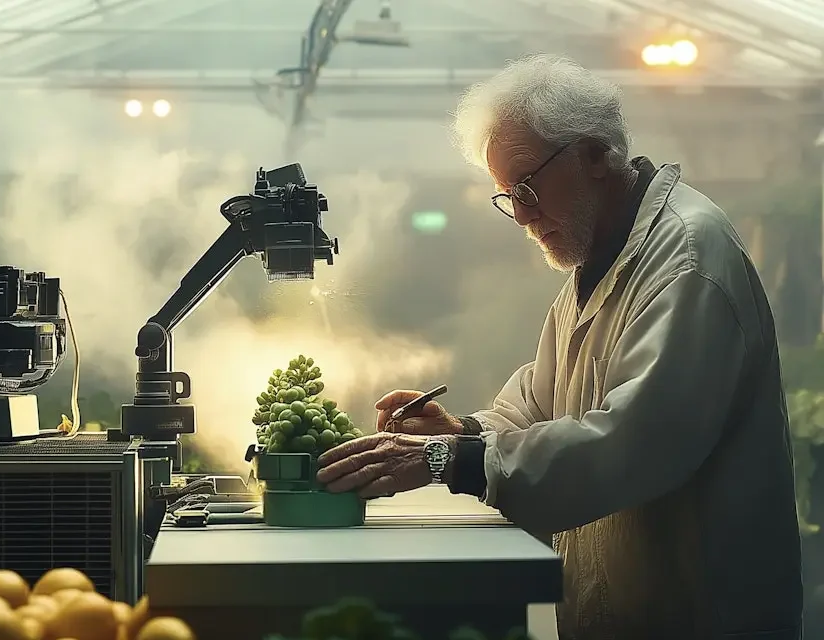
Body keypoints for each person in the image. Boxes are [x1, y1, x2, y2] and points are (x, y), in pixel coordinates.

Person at [316, 54, 803, 640]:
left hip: (701, 612)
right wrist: (464, 433)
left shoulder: (687, 261)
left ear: (596, 155)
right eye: (506, 196)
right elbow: (545, 400)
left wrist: (451, 462)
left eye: (527, 187)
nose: (521, 216)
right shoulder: (603, 254)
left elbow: (633, 441)